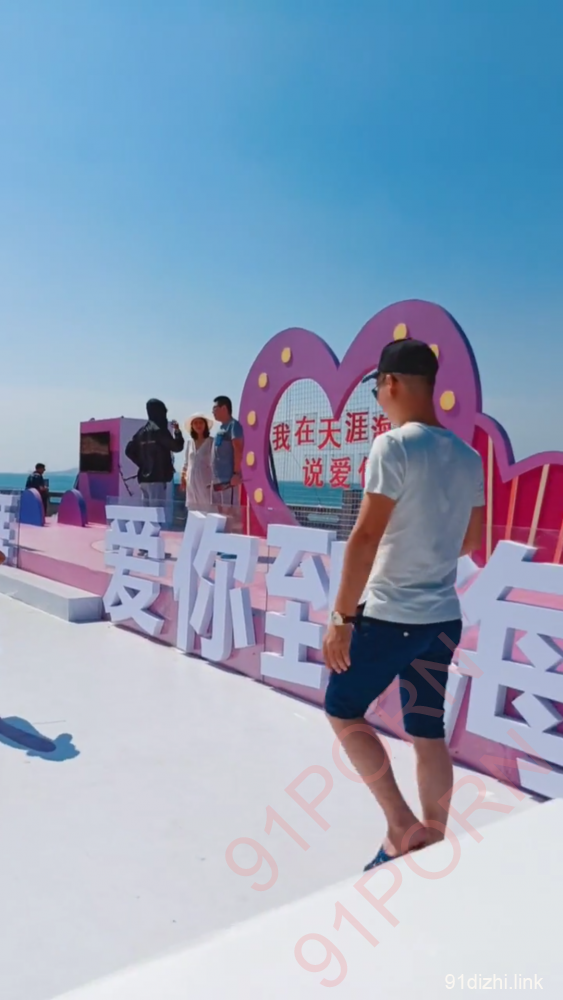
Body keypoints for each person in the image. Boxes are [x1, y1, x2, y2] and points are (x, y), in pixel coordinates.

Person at [323, 339, 484, 872]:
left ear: (389, 383)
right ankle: (433, 840)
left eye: (377, 388)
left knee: (343, 708)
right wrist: (427, 550)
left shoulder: (393, 446)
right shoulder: (468, 457)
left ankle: (399, 825)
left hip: (392, 615)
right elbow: (471, 540)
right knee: (427, 731)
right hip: (442, 617)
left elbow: (365, 537)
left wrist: (341, 618)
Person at [125, 399, 184, 505]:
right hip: (158, 478)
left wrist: (142, 464)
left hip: (143, 479)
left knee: (147, 512)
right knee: (157, 511)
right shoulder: (160, 431)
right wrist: (177, 432)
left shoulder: (141, 432)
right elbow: (177, 447)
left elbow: (128, 451)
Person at [211, 396, 244, 510]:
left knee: (229, 513)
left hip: (228, 481)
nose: (212, 412)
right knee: (218, 513)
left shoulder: (234, 425)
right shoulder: (221, 428)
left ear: (224, 408)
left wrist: (236, 473)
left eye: (215, 408)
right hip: (217, 479)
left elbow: (238, 449)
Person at [181, 414, 214, 511]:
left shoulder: (211, 442)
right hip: (191, 480)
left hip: (205, 479)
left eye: (200, 423)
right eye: (195, 423)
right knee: (193, 507)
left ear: (205, 425)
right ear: (192, 426)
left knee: (207, 505)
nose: (198, 425)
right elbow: (186, 462)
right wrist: (183, 477)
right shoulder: (189, 442)